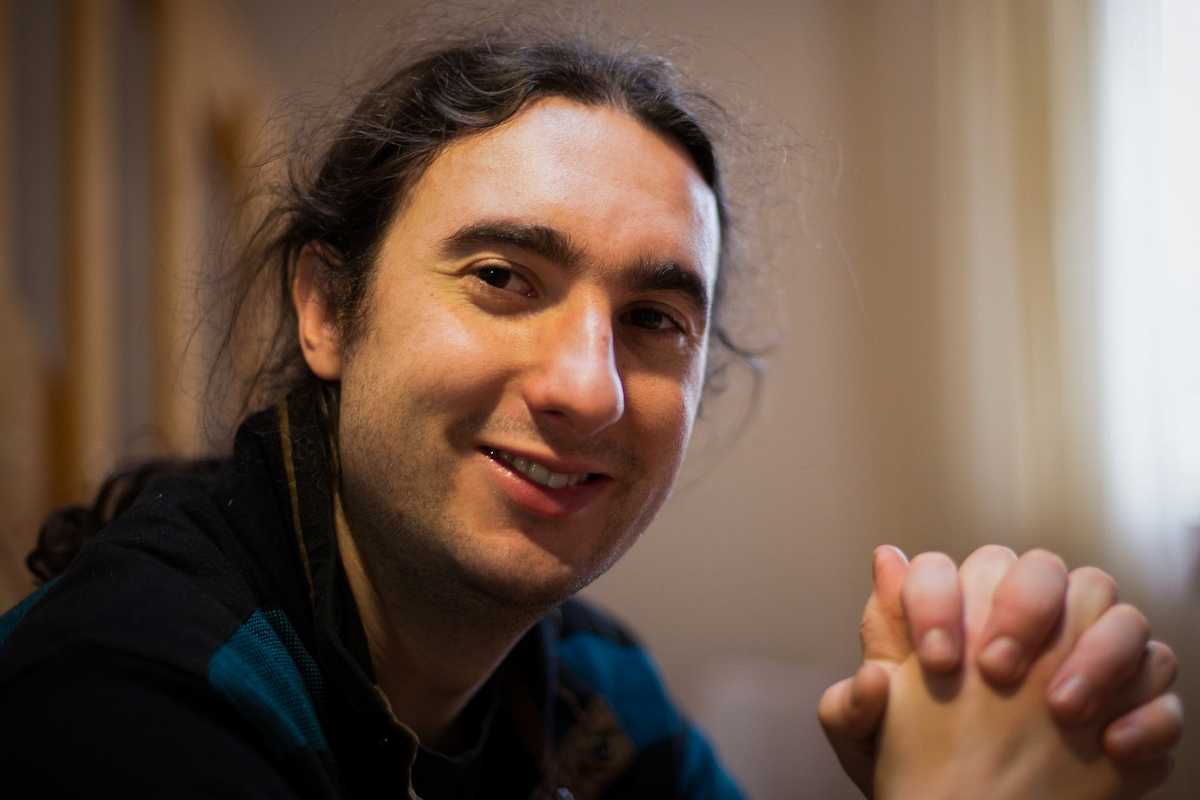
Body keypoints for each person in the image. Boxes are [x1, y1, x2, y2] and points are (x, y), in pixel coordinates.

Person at [0, 28, 1181, 799]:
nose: (589, 387)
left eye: (655, 318)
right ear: (327, 310)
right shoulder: (124, 698)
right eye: (502, 278)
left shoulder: (590, 690)